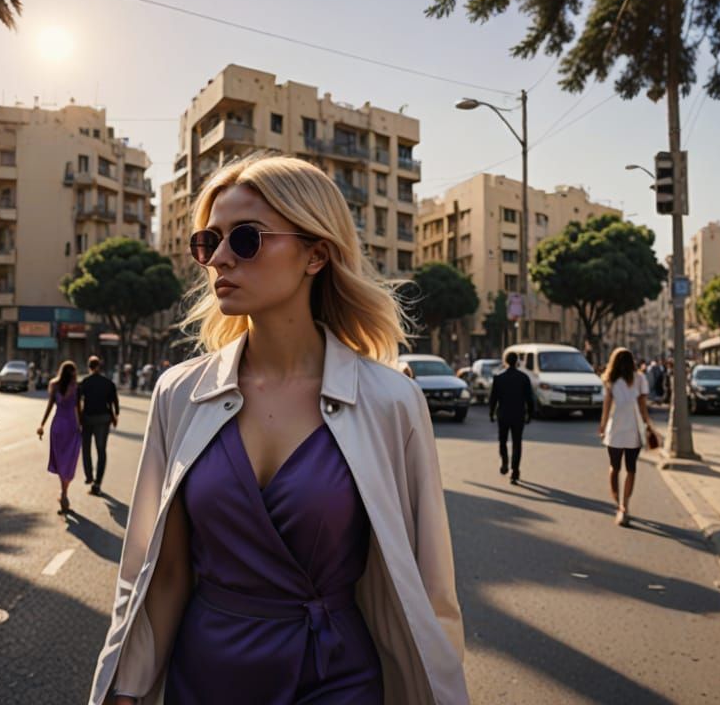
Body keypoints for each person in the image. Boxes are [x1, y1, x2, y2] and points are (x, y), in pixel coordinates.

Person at [91, 155, 467, 705]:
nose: (219, 258)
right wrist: (123, 690)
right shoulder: (179, 393)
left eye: (246, 239)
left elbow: (431, 589)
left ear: (316, 253)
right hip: (206, 674)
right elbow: (160, 571)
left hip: (337, 679)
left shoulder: (392, 402)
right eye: (208, 241)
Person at [599, 347, 656, 525]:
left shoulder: (610, 380)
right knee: (631, 468)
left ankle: (618, 503)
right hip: (634, 428)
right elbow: (643, 407)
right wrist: (649, 426)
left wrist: (602, 426)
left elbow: (607, 407)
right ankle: (625, 505)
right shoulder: (640, 379)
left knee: (614, 467)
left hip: (615, 428)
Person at [38, 360, 82, 515]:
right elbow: (78, 409)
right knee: (69, 461)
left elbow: (49, 406)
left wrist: (42, 424)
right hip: (71, 427)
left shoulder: (54, 385)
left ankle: (63, 494)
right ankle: (64, 493)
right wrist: (81, 426)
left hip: (57, 427)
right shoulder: (76, 388)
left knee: (61, 460)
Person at [488, 350, 535, 485]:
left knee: (502, 441)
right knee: (517, 443)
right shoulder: (523, 378)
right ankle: (515, 471)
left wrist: (491, 413)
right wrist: (529, 414)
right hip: (518, 415)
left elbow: (493, 398)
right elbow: (529, 399)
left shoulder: (499, 378)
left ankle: (504, 462)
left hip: (503, 414)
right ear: (517, 362)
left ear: (505, 361)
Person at [78, 355, 119, 496]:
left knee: (86, 448)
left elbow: (78, 400)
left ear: (89, 367)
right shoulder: (108, 383)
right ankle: (97, 482)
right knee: (101, 450)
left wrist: (78, 417)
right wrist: (115, 416)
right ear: (99, 367)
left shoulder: (85, 382)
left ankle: (89, 475)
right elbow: (114, 402)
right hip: (103, 419)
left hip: (88, 419)